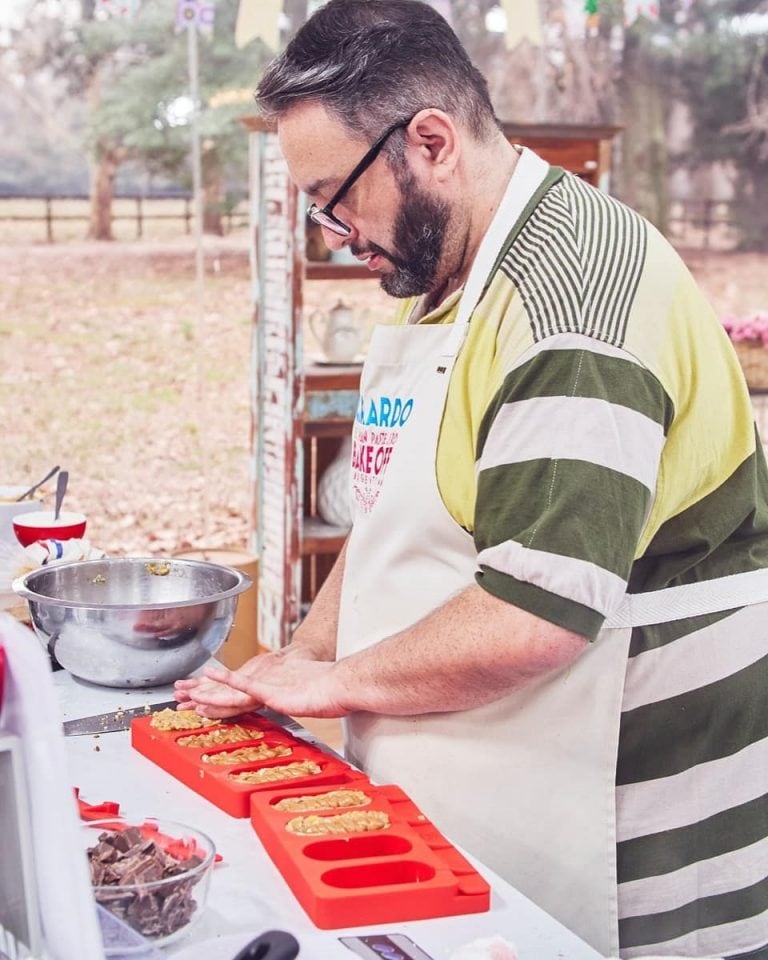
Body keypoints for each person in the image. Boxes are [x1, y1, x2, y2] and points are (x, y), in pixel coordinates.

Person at [175, 1, 768, 956]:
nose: (331, 232)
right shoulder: (447, 267)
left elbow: (536, 614)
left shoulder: (571, 302)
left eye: (335, 197)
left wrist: (332, 688)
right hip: (484, 762)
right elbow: (387, 526)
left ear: (432, 142)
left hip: (626, 788)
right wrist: (301, 658)